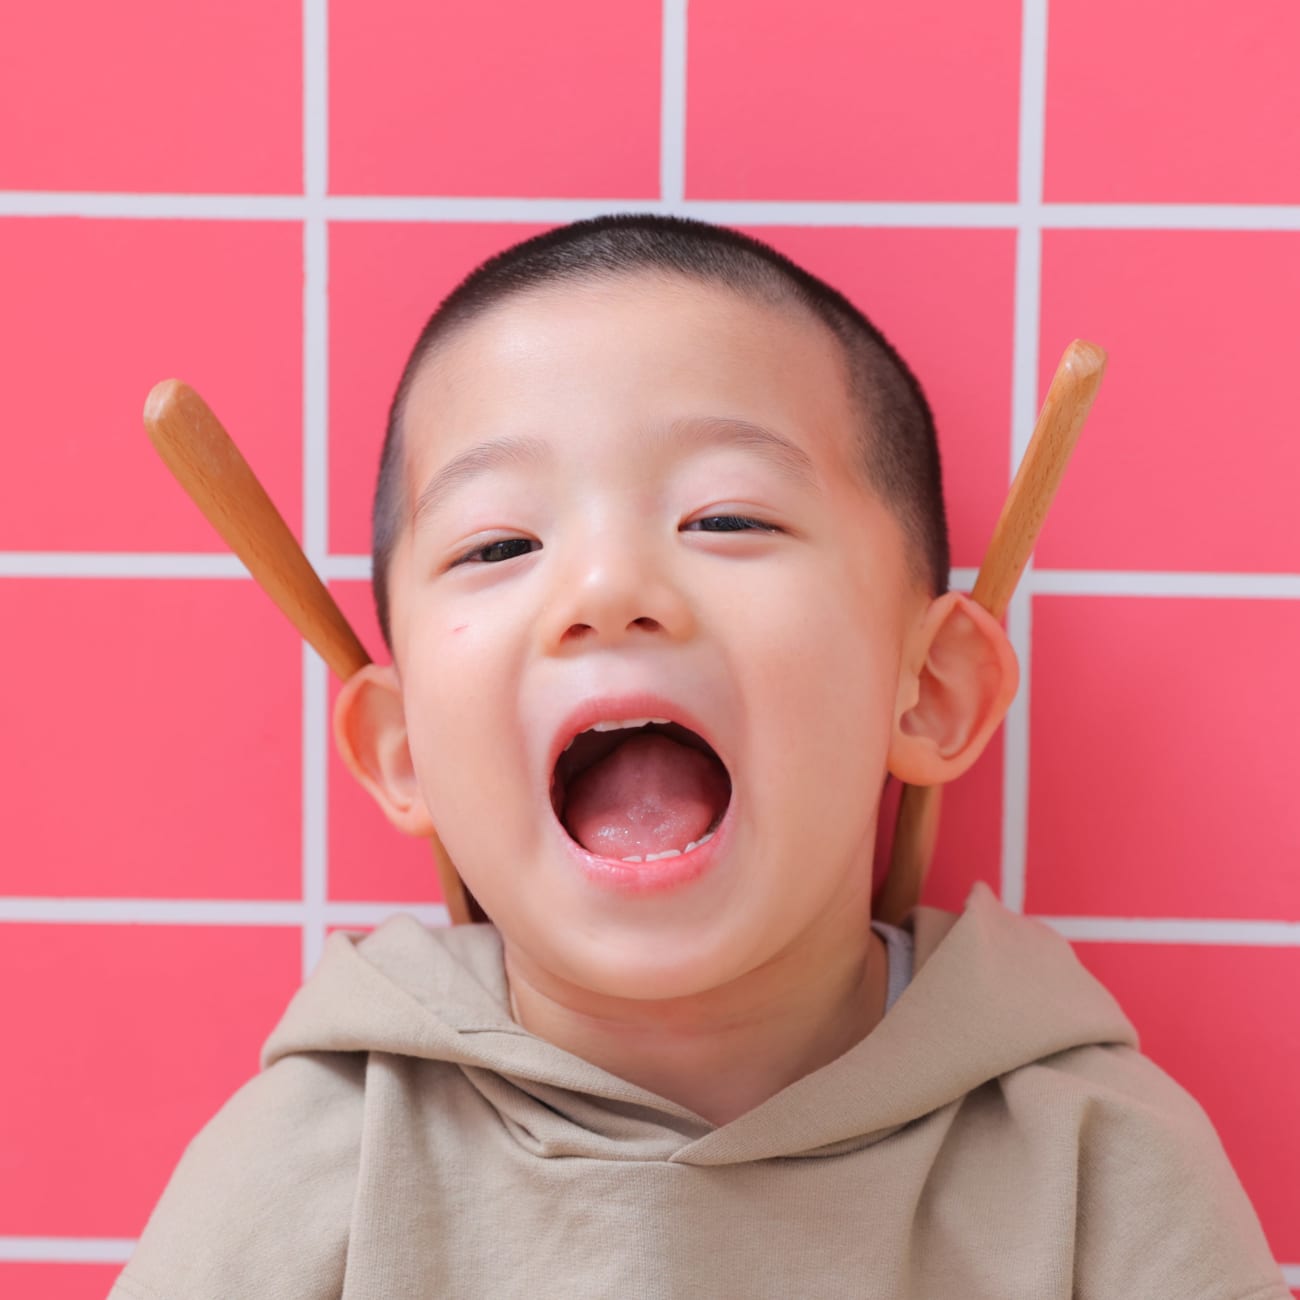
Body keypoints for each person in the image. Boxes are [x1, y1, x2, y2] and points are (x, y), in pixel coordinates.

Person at [110, 215, 1287, 1299]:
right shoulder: (308, 1169)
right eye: (501, 540)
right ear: (402, 748)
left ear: (926, 692)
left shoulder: (1099, 1170)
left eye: (725, 518)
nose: (608, 588)